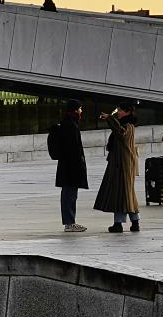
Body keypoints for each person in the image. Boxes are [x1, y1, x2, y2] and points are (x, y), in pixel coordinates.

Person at [92, 102, 140, 234]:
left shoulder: (128, 126)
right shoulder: (125, 124)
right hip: (120, 163)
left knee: (124, 194)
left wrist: (110, 118)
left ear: (128, 112)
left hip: (124, 164)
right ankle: (128, 222)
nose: (118, 112)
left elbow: (120, 133)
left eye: (120, 110)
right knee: (124, 194)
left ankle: (123, 223)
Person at [47, 100, 89, 232]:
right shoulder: (70, 125)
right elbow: (73, 148)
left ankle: (70, 222)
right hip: (71, 166)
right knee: (69, 195)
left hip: (68, 166)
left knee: (70, 194)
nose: (81, 111)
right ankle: (69, 223)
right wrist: (79, 164)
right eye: (80, 109)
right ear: (75, 110)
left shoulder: (69, 123)